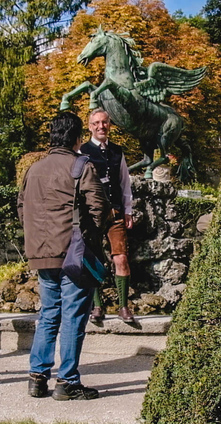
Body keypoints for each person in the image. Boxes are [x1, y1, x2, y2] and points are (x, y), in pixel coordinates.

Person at [18, 111, 110, 400]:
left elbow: (22, 208)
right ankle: (67, 381)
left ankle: (37, 377)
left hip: (41, 253)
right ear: (78, 138)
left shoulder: (33, 169)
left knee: (49, 313)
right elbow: (100, 209)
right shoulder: (81, 165)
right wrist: (90, 240)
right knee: (72, 317)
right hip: (72, 253)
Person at [80, 108, 135, 323]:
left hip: (115, 212)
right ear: (89, 126)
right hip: (91, 215)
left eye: (104, 122)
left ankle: (123, 306)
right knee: (92, 258)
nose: (101, 126)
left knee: (121, 257)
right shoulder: (81, 152)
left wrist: (128, 210)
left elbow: (125, 182)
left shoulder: (117, 151)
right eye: (96, 123)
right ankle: (97, 306)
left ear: (109, 125)